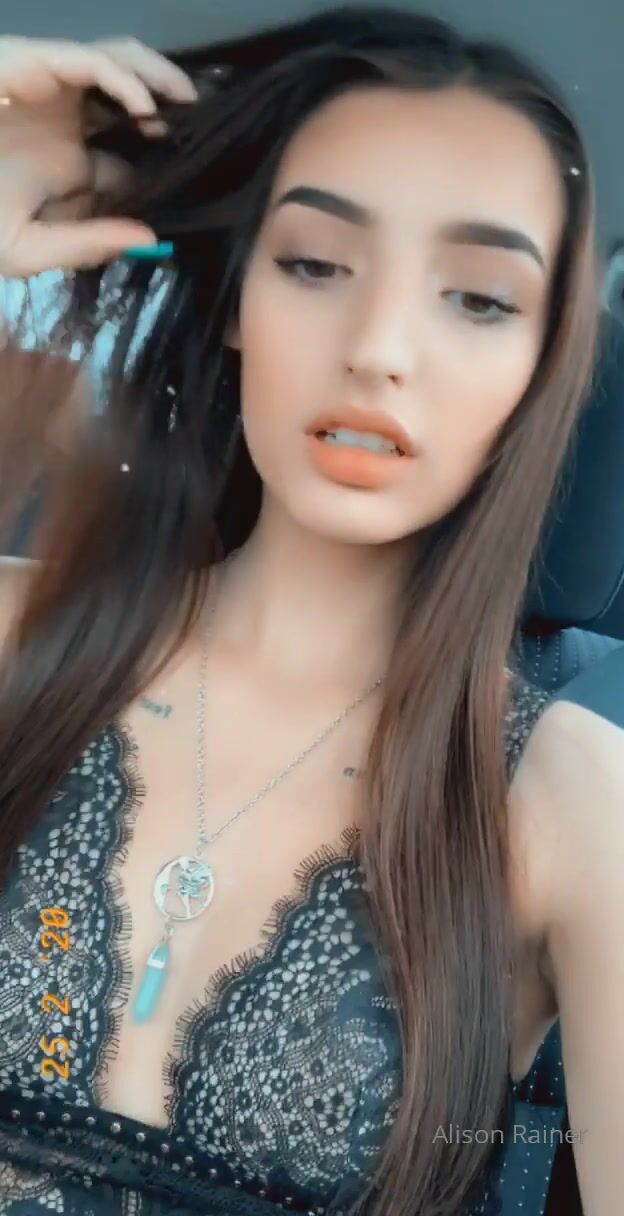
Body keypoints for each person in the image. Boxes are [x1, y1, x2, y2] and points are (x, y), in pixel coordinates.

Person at [0, 5, 621, 1214]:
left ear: (542, 367)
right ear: (238, 299)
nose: (380, 348)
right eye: (316, 265)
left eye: (478, 299)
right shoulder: (21, 637)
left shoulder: (567, 801)